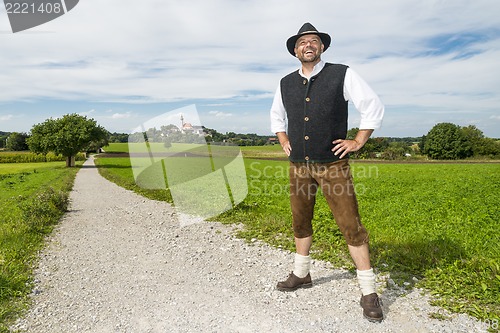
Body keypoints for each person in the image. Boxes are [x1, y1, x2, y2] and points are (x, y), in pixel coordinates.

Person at [270, 22, 385, 322]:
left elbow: (371, 105)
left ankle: (369, 292)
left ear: (321, 47)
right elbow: (276, 116)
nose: (308, 45)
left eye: (314, 41)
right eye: (302, 42)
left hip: (332, 165)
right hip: (298, 165)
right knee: (300, 220)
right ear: (295, 50)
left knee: (350, 223)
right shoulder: (284, 83)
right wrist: (283, 140)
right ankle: (301, 274)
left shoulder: (342, 74)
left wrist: (359, 139)